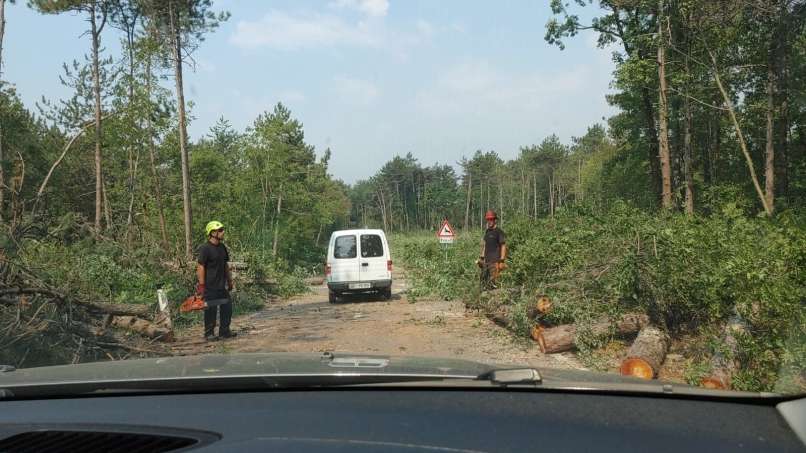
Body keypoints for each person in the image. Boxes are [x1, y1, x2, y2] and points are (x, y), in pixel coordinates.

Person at [197, 220, 236, 341]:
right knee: (211, 310)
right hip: (209, 286)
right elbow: (200, 266)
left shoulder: (222, 247)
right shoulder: (205, 248)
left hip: (221, 285)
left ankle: (224, 331)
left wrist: (229, 281)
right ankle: (209, 333)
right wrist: (202, 285)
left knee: (227, 308)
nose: (223, 232)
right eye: (220, 230)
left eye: (222, 230)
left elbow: (225, 265)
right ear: (212, 232)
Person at [478, 210, 507, 290]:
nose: (489, 221)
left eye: (491, 219)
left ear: (495, 220)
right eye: (488, 219)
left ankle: (496, 300)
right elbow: (485, 245)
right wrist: (481, 257)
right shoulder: (487, 232)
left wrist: (502, 261)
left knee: (494, 283)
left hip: (495, 262)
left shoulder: (499, 232)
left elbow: (503, 246)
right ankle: (484, 299)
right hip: (486, 262)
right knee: (483, 281)